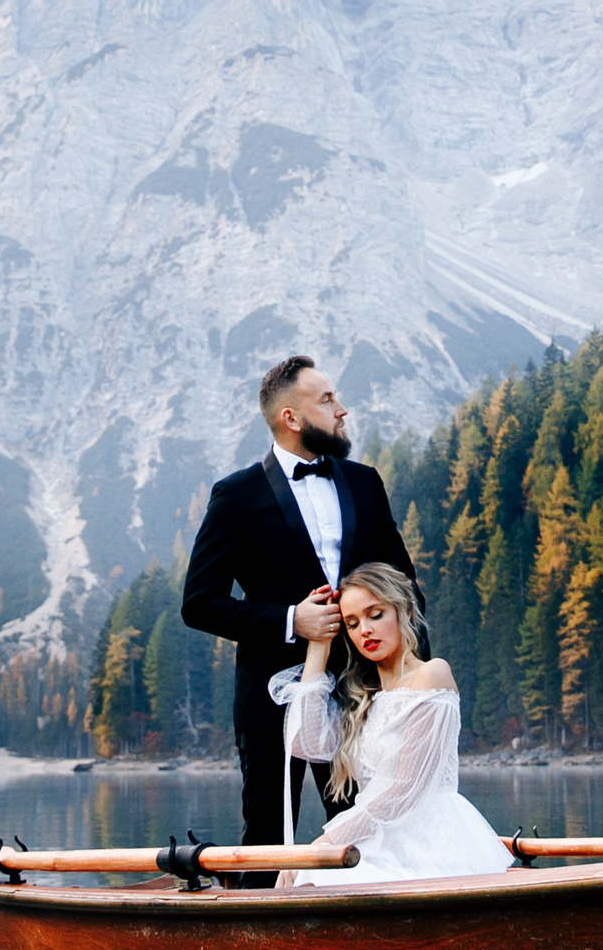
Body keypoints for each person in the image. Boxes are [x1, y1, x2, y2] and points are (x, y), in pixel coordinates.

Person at [180, 357, 422, 860]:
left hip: (364, 696)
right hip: (274, 704)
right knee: (268, 844)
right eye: (328, 400)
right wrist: (293, 620)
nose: (342, 410)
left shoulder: (364, 482)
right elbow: (199, 604)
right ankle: (264, 937)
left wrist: (409, 676)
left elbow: (404, 586)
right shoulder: (236, 496)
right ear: (291, 418)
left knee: (371, 840)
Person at [277, 561, 511, 884]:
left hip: (428, 843)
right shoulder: (367, 702)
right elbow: (308, 741)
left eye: (376, 615)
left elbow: (405, 791)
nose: (365, 631)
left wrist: (326, 842)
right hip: (378, 841)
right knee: (306, 878)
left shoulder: (431, 675)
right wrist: (319, 645)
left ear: (404, 612)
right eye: (352, 623)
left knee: (314, 877)